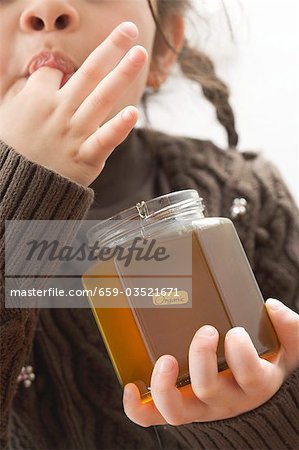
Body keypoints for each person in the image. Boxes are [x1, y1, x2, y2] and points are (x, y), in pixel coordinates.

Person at [0, 1, 298, 449]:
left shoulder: (247, 198)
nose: (45, 9)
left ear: (162, 52)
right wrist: (21, 190)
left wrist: (261, 413)